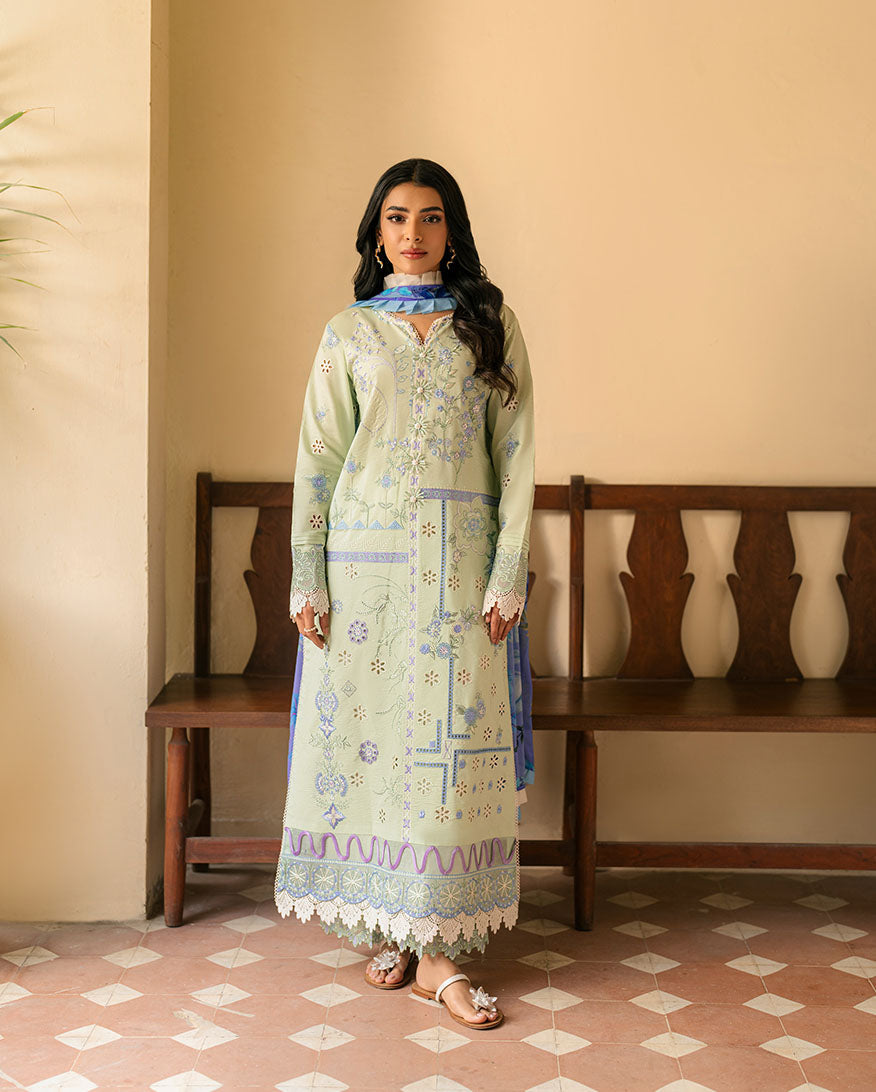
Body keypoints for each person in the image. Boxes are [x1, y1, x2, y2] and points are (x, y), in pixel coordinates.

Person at [274, 157, 536, 1030]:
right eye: (396, 217)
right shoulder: (348, 333)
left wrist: (508, 570)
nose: (412, 233)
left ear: (451, 229)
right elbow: (318, 461)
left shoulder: (489, 326)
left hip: (459, 576)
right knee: (372, 751)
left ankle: (439, 955)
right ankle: (396, 926)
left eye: (429, 217)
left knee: (445, 754)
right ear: (376, 232)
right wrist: (307, 573)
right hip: (365, 576)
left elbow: (517, 455)